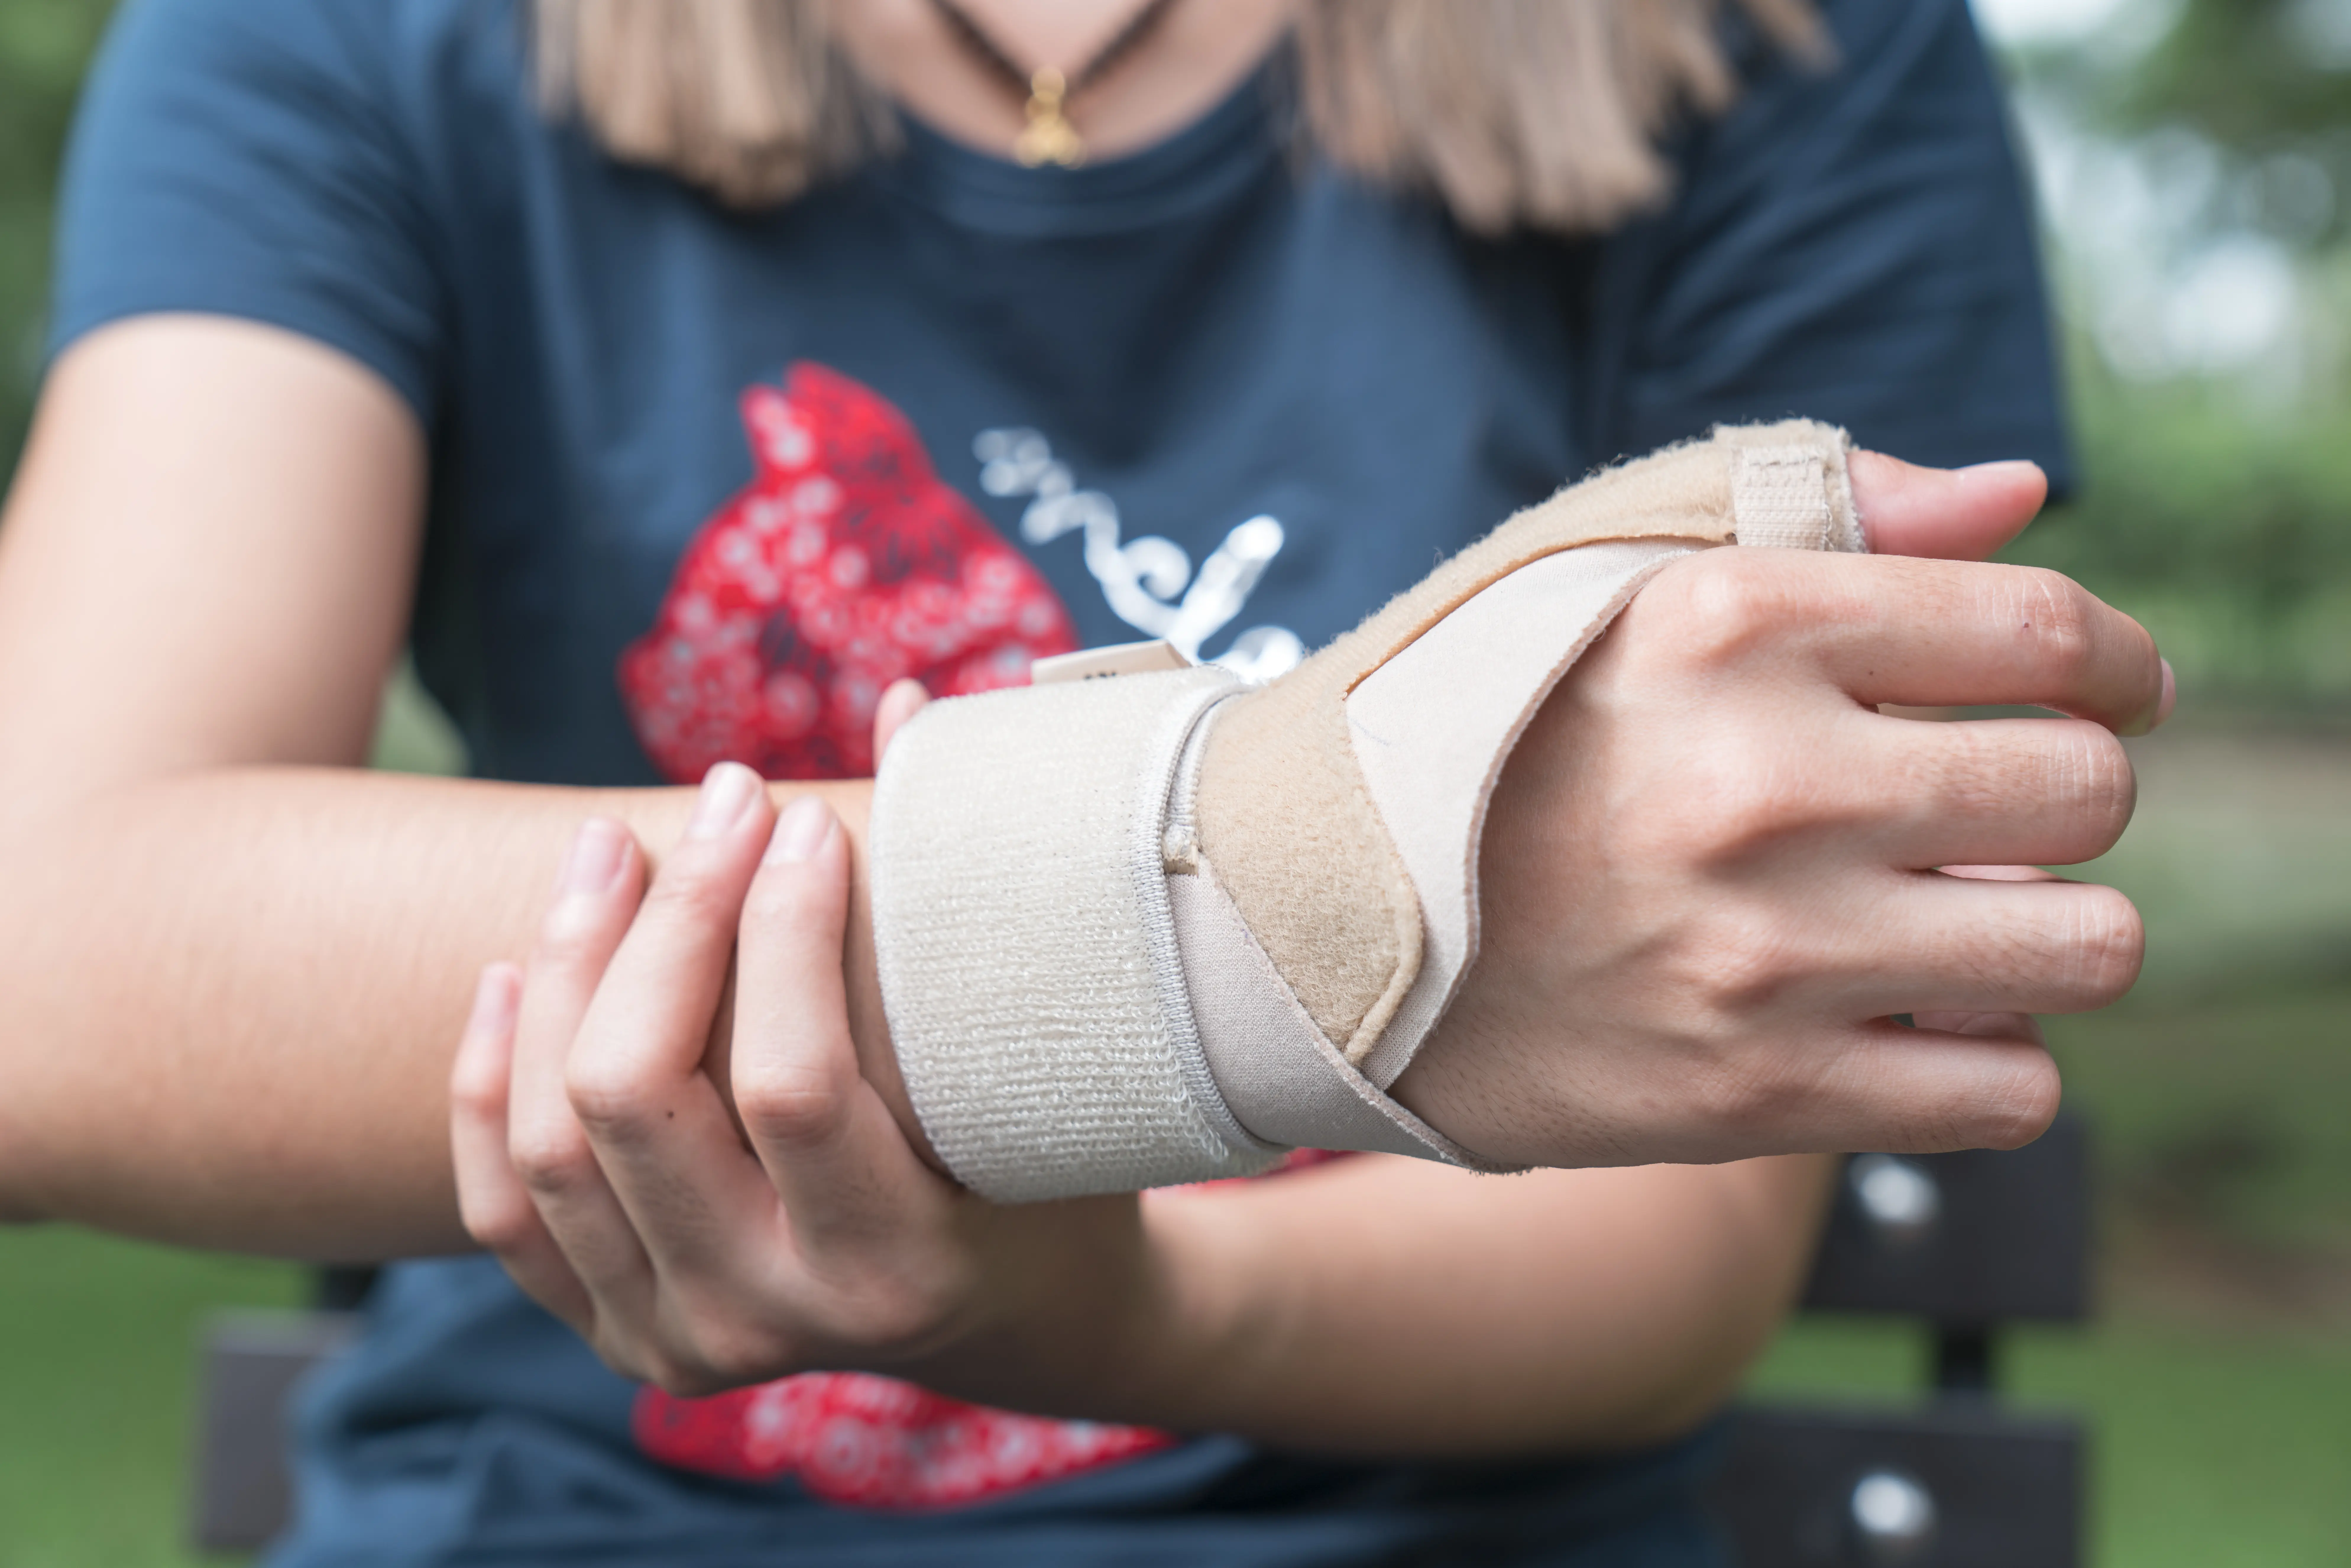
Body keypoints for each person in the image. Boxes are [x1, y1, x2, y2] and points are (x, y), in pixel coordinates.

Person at [0, 0, 2162, 1561]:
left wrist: (1121, 1304)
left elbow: (1691, 1200)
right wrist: (1329, 872)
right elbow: (52, 957)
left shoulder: (1784, 48)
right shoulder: (347, 39)